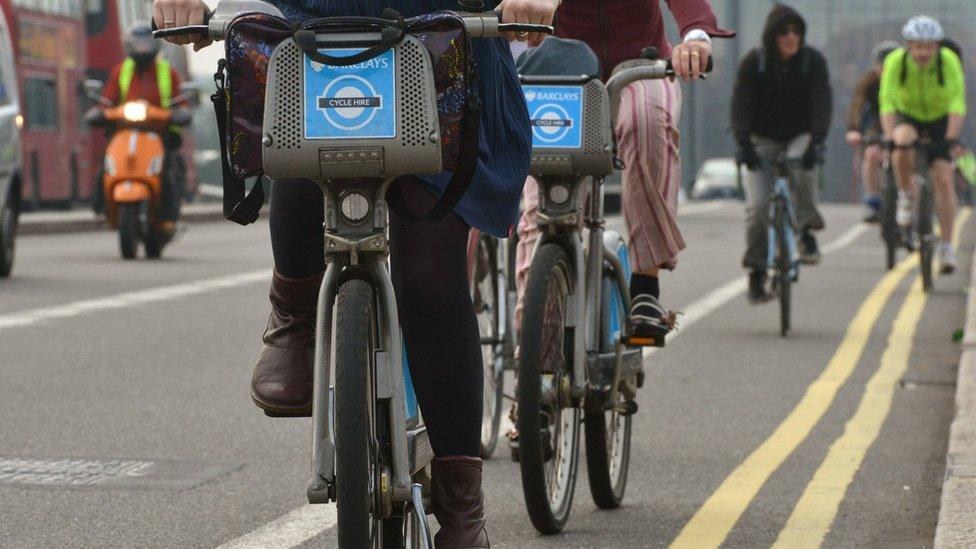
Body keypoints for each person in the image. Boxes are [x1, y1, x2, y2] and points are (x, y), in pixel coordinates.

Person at [154, 0, 558, 547]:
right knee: (293, 146)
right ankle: (294, 316)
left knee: (429, 272)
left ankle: (463, 511)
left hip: (443, 45)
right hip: (310, 33)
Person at [515, 0, 734, 343]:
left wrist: (696, 36)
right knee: (539, 204)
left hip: (642, 64)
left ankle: (646, 284)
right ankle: (538, 340)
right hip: (563, 67)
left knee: (647, 121)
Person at [731, 4, 832, 303]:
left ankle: (806, 232)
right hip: (762, 137)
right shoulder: (755, 62)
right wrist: (743, 144)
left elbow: (822, 102)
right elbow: (741, 103)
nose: (791, 37)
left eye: (796, 32)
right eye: (784, 32)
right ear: (772, 36)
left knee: (801, 166)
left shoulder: (812, 62)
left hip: (800, 134)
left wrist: (816, 142)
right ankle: (756, 271)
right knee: (758, 208)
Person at [880, 15, 967, 274]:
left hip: (940, 118)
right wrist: (889, 135)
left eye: (929, 47)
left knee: (943, 176)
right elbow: (887, 101)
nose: (923, 52)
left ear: (937, 46)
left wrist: (951, 138)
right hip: (910, 116)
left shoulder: (948, 62)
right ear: (908, 46)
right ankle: (906, 195)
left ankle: (947, 247)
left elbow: (956, 102)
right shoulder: (895, 62)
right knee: (902, 142)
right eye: (918, 46)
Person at [88, 25, 191, 237]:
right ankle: (101, 208)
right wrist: (98, 113)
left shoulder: (167, 72)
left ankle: (170, 217)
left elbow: (180, 103)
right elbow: (107, 102)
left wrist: (179, 114)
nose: (143, 48)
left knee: (171, 171)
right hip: (124, 131)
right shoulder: (121, 71)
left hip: (159, 133)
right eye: (138, 43)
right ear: (128, 46)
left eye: (147, 43)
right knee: (105, 165)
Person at [846, 41, 900, 223]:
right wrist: (854, 130)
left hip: (903, 123)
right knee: (871, 154)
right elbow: (857, 105)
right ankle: (873, 200)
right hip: (878, 123)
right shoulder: (868, 82)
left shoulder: (908, 78)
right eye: (881, 64)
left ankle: (913, 205)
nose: (884, 69)